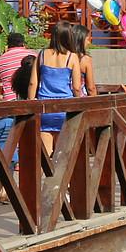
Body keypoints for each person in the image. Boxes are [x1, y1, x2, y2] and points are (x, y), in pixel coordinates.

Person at [22, 22, 91, 156]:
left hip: (44, 108)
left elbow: (32, 83)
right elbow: (77, 88)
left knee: (45, 155)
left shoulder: (41, 55)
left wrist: (30, 105)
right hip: (65, 108)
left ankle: (42, 176)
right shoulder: (72, 57)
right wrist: (80, 106)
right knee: (63, 155)